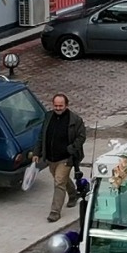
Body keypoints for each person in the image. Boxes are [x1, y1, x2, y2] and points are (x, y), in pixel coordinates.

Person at [38, 93, 87, 222]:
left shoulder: (75, 120)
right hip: (50, 157)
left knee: (59, 182)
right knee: (61, 179)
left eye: (61, 105)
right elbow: (41, 136)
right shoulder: (48, 117)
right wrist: (37, 152)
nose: (58, 108)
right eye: (56, 105)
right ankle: (73, 194)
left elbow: (81, 137)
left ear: (66, 105)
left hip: (66, 158)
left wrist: (71, 148)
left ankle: (55, 212)